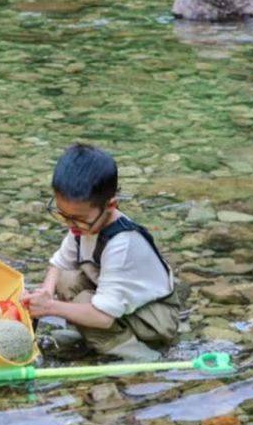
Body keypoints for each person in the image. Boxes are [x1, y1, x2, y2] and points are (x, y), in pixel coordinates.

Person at [24, 143, 179, 361]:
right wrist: (46, 293)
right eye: (63, 215)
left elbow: (104, 317)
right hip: (126, 306)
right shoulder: (85, 223)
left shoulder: (122, 244)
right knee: (65, 280)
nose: (70, 225)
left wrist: (49, 307)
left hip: (155, 319)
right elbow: (57, 264)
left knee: (85, 305)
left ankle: (142, 356)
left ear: (111, 205)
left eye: (78, 219)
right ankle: (92, 340)